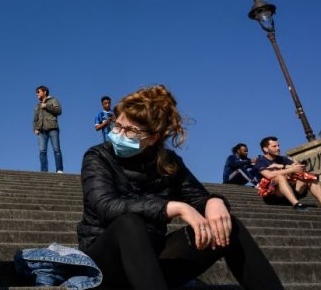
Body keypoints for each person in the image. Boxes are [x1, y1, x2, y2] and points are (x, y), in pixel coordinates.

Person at [78, 85, 284, 290]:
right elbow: (105, 206)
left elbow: (197, 196)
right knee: (129, 223)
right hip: (103, 264)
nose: (119, 134)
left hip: (150, 263)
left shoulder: (168, 161)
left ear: (153, 137)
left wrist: (215, 201)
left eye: (130, 130)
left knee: (229, 225)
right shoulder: (97, 156)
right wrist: (175, 207)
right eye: (118, 126)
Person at [254, 136, 321, 212]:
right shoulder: (260, 161)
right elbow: (268, 175)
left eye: (278, 146)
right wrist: (289, 169)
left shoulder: (283, 159)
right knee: (279, 177)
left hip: (292, 190)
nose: (278, 148)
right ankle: (297, 204)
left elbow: (298, 169)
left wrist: (289, 166)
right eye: (274, 146)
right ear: (265, 149)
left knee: (309, 177)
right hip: (273, 196)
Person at [33, 85, 63, 173]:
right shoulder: (37, 106)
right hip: (41, 130)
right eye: (36, 93)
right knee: (42, 151)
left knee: (56, 149)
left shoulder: (53, 100)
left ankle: (59, 169)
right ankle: (44, 171)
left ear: (44, 92)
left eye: (38, 92)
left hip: (53, 128)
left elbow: (59, 111)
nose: (37, 94)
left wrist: (46, 106)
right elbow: (35, 118)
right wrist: (35, 128)